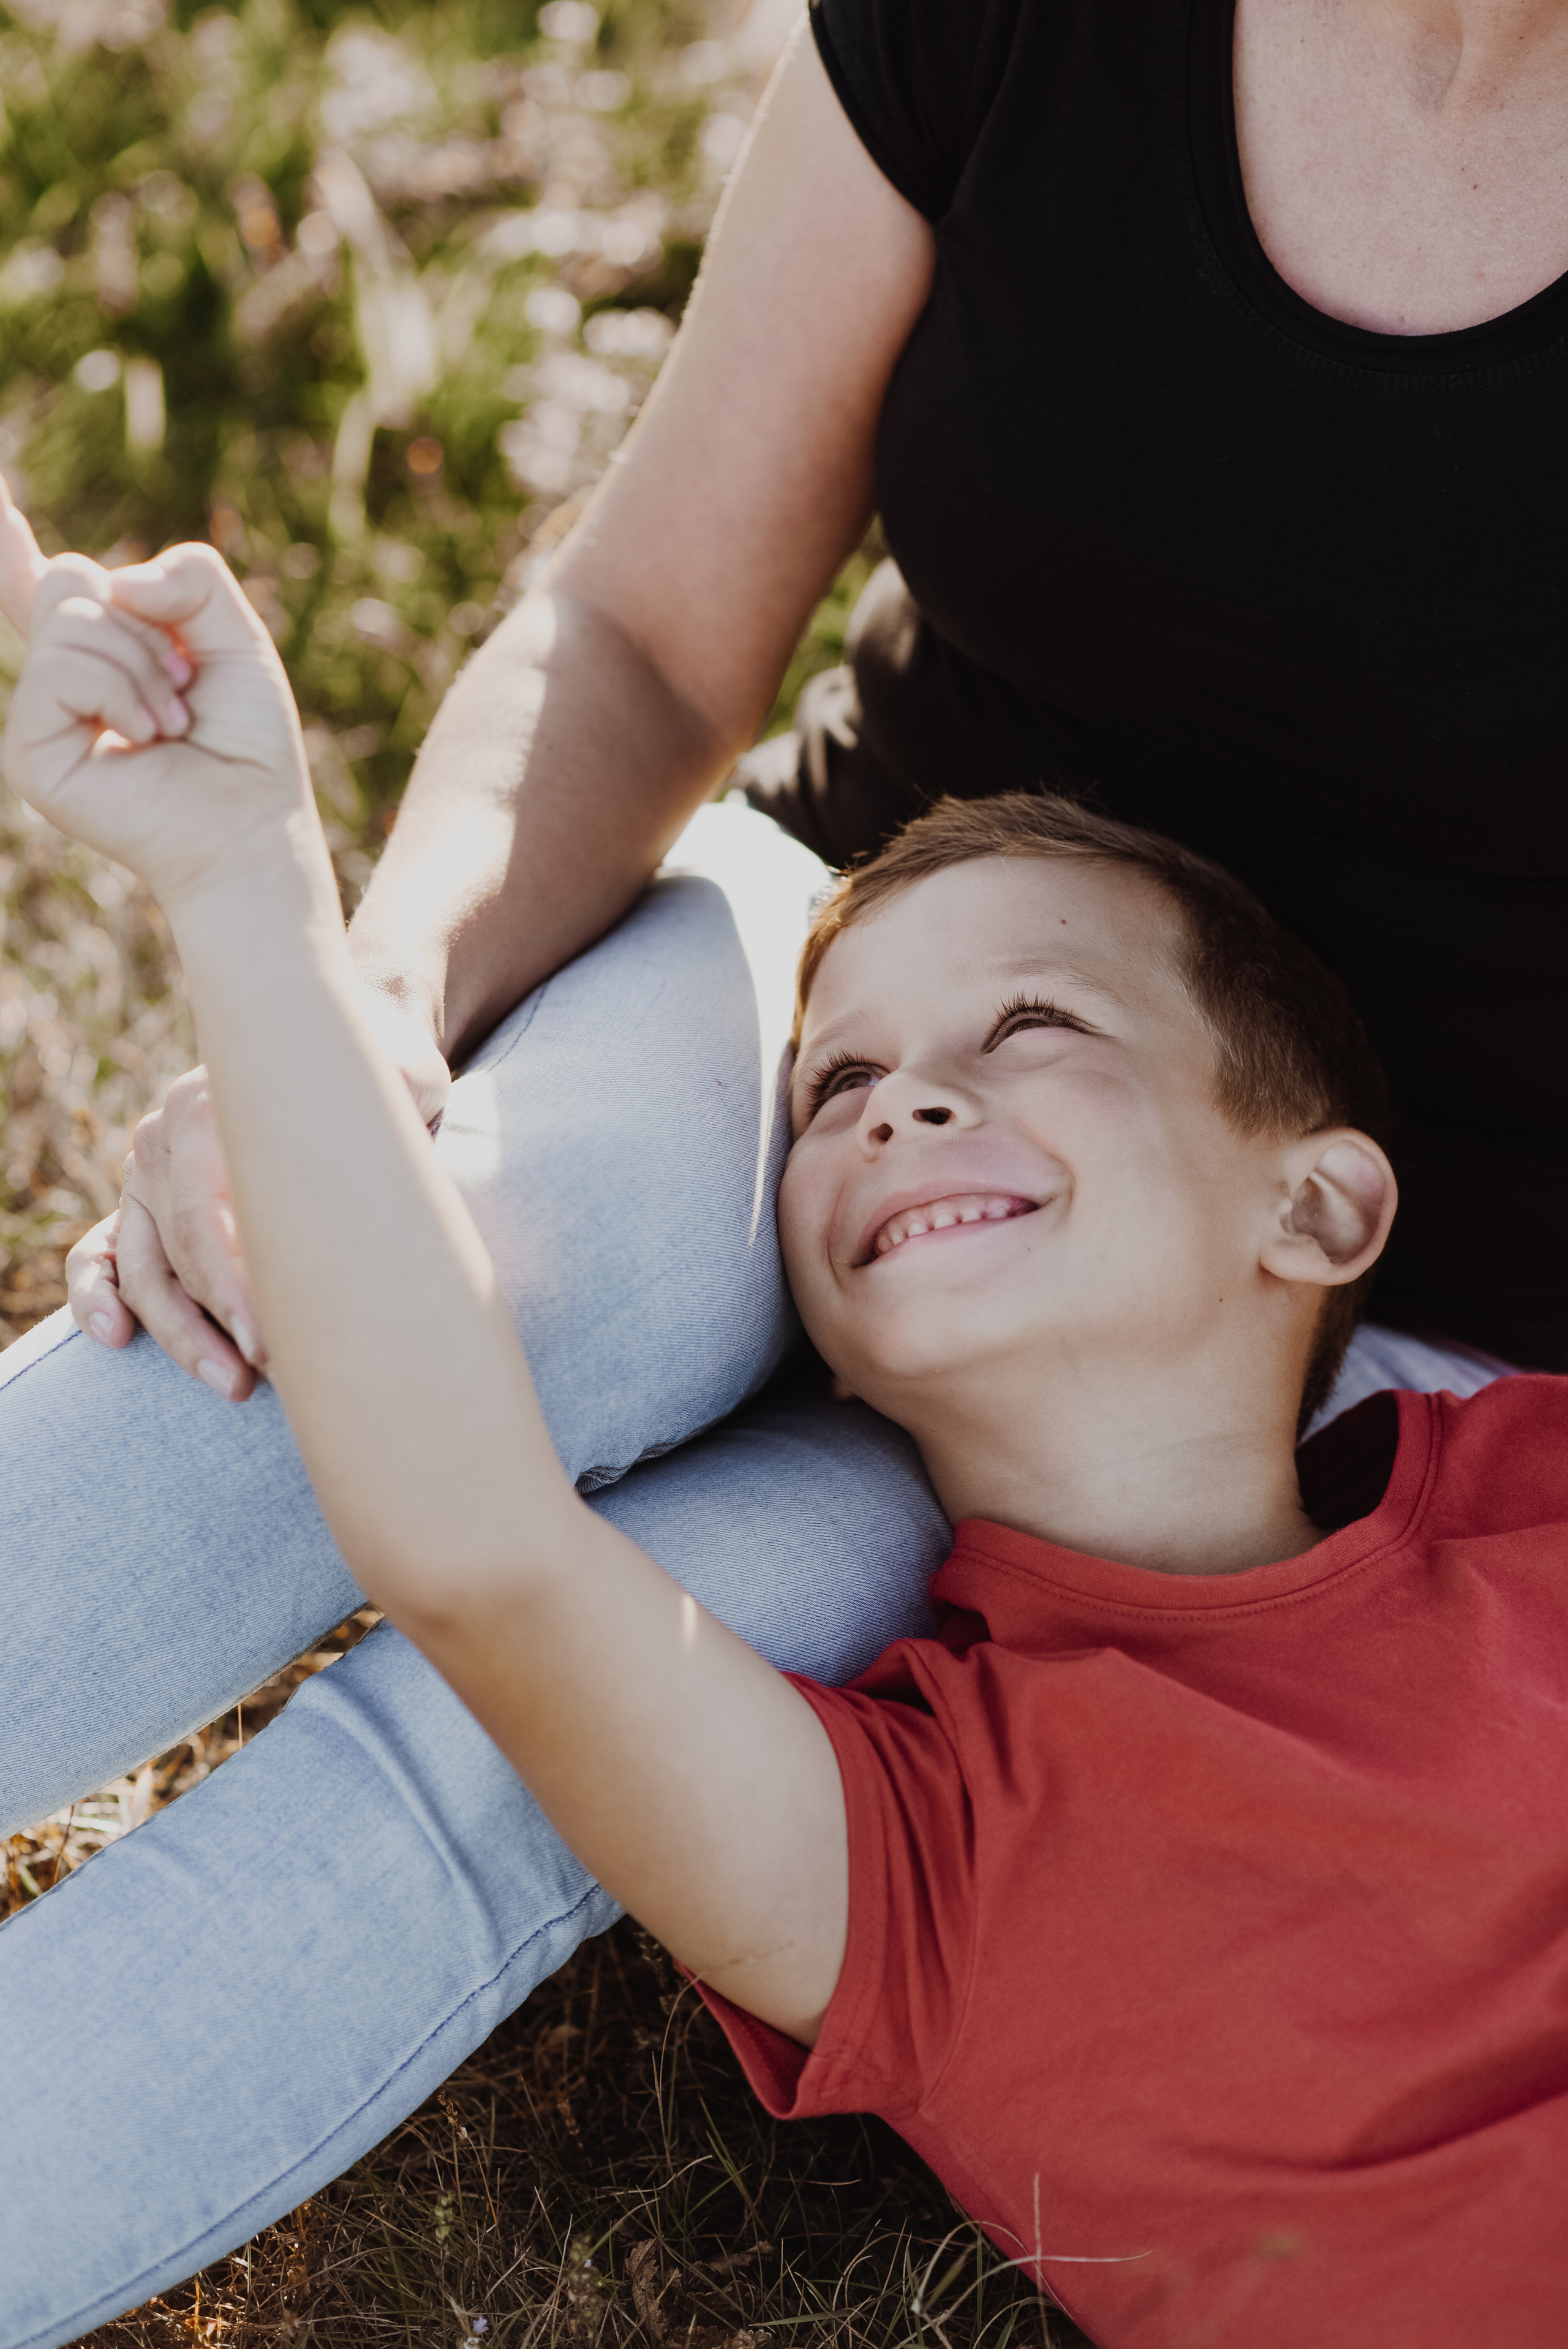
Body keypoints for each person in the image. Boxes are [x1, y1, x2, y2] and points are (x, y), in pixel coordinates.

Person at [0, 0, 1545, 2317]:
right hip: (879, 948)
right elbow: (638, 614)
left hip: (1368, 1296)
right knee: (467, 1270)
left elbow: (503, 1584)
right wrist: (369, 1032)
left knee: (555, 1724)